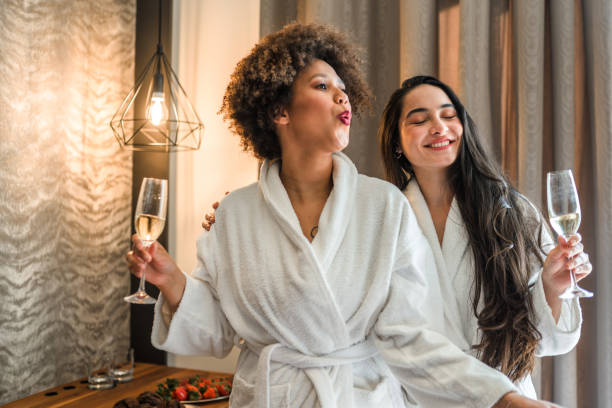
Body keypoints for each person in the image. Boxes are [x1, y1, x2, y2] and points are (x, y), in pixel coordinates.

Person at [127, 23, 559, 407]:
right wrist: (173, 282)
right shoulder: (236, 214)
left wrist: (501, 398)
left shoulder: (384, 207)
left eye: (343, 87)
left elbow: (410, 338)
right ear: (279, 110)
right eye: (321, 86)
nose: (341, 95)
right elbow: (216, 333)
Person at [378, 75, 589, 399]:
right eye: (420, 119)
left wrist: (552, 287)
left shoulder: (512, 211)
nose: (438, 127)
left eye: (448, 116)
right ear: (397, 142)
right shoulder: (384, 220)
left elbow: (548, 341)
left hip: (506, 399)